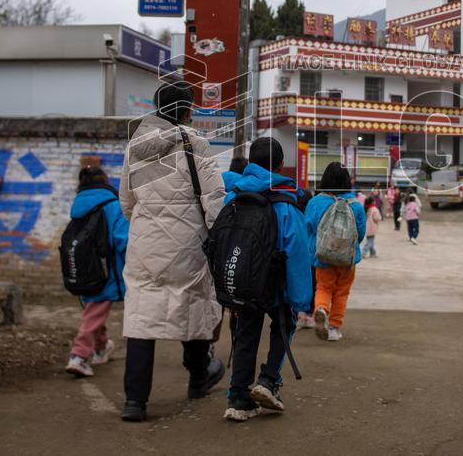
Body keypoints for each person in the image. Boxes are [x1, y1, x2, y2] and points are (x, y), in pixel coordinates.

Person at [118, 82, 227, 422]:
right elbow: (214, 201)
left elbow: (126, 202)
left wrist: (148, 221)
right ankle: (199, 375)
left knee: (140, 316)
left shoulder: (135, 147)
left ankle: (135, 401)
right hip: (187, 243)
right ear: (187, 110)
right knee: (191, 304)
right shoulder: (196, 144)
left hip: (145, 242)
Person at [222, 138, 312, 422]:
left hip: (243, 281)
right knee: (284, 326)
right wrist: (300, 299)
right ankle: (268, 380)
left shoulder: (233, 197)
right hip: (275, 284)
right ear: (279, 164)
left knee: (246, 331)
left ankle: (237, 399)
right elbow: (297, 251)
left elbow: (220, 239)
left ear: (250, 162)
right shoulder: (286, 201)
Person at [65, 165, 128, 378]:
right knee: (94, 313)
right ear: (105, 181)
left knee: (94, 309)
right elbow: (123, 240)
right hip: (106, 271)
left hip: (83, 268)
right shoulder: (113, 205)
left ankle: (101, 348)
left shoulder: (78, 206)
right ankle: (78, 356)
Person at [304, 162, 366, 342]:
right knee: (341, 292)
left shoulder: (316, 202)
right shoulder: (356, 205)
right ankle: (334, 328)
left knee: (323, 287)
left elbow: (308, 227)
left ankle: (321, 309)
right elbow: (360, 233)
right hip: (347, 259)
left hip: (323, 257)